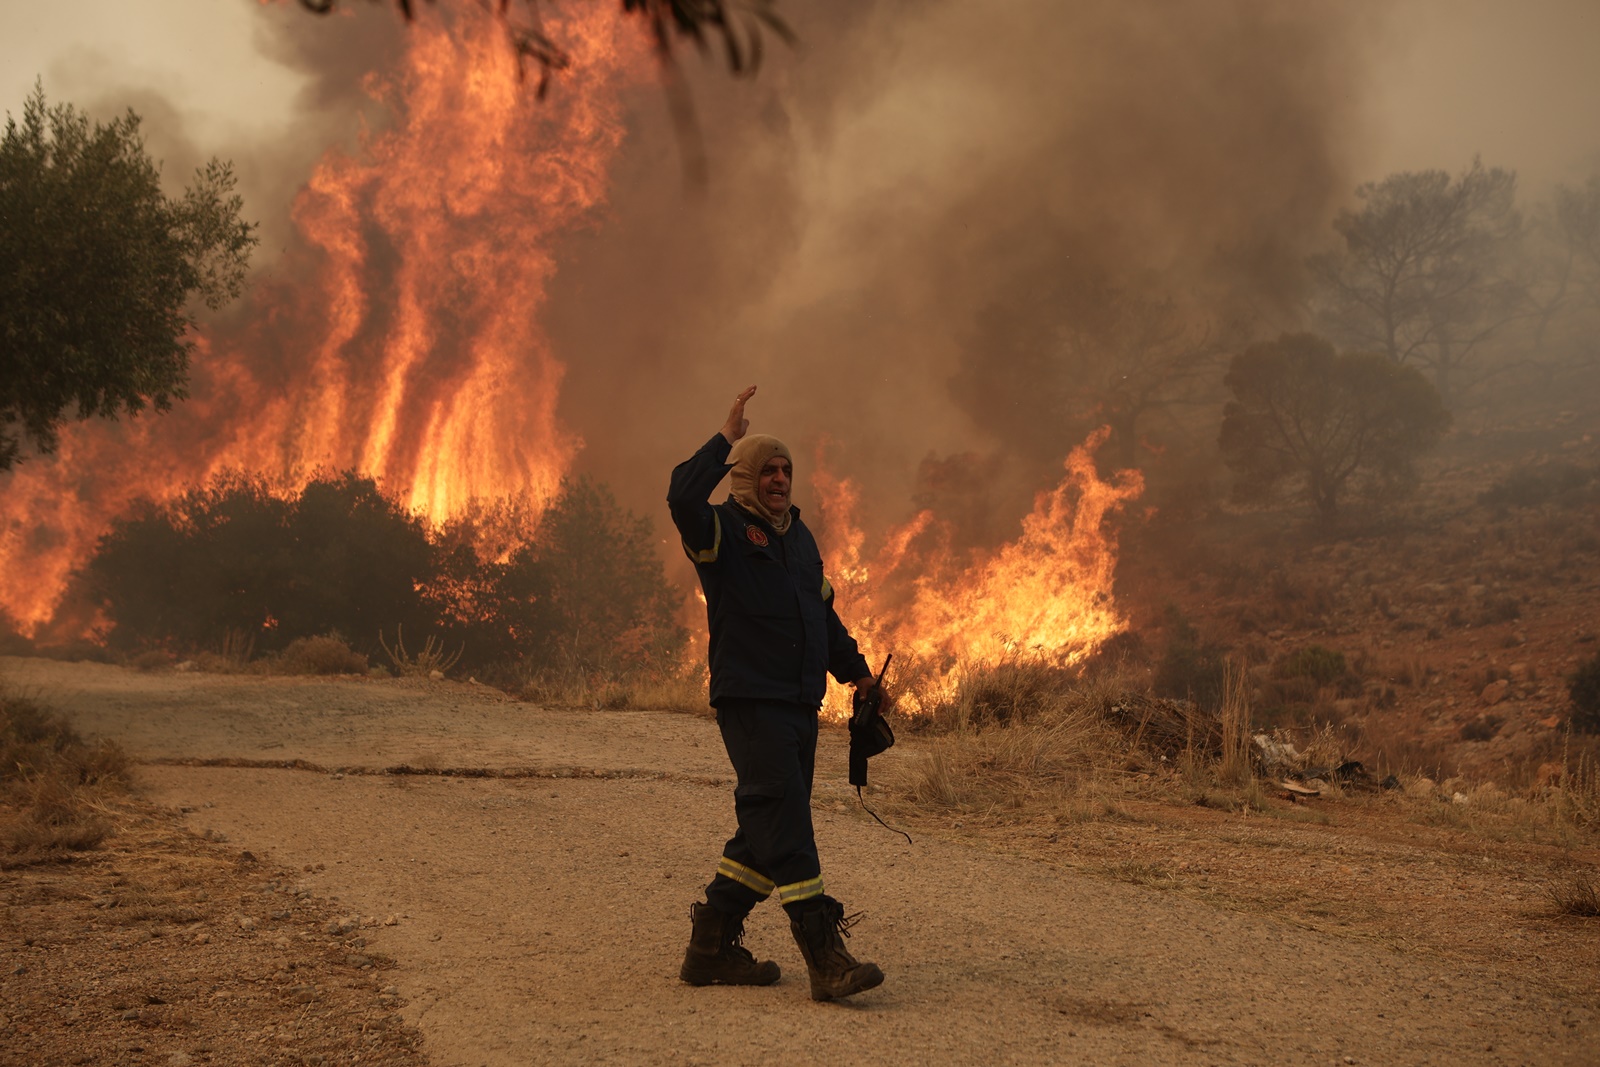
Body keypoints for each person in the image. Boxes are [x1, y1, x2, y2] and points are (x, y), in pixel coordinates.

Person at [667, 384, 885, 1002]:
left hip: (798, 705)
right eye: (767, 470)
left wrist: (859, 674)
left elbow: (824, 619)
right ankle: (826, 958)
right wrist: (725, 441)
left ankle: (709, 947)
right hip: (751, 701)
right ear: (745, 479)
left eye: (786, 470)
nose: (779, 479)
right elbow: (681, 494)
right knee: (787, 826)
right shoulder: (721, 533)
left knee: (766, 829)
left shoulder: (800, 539)